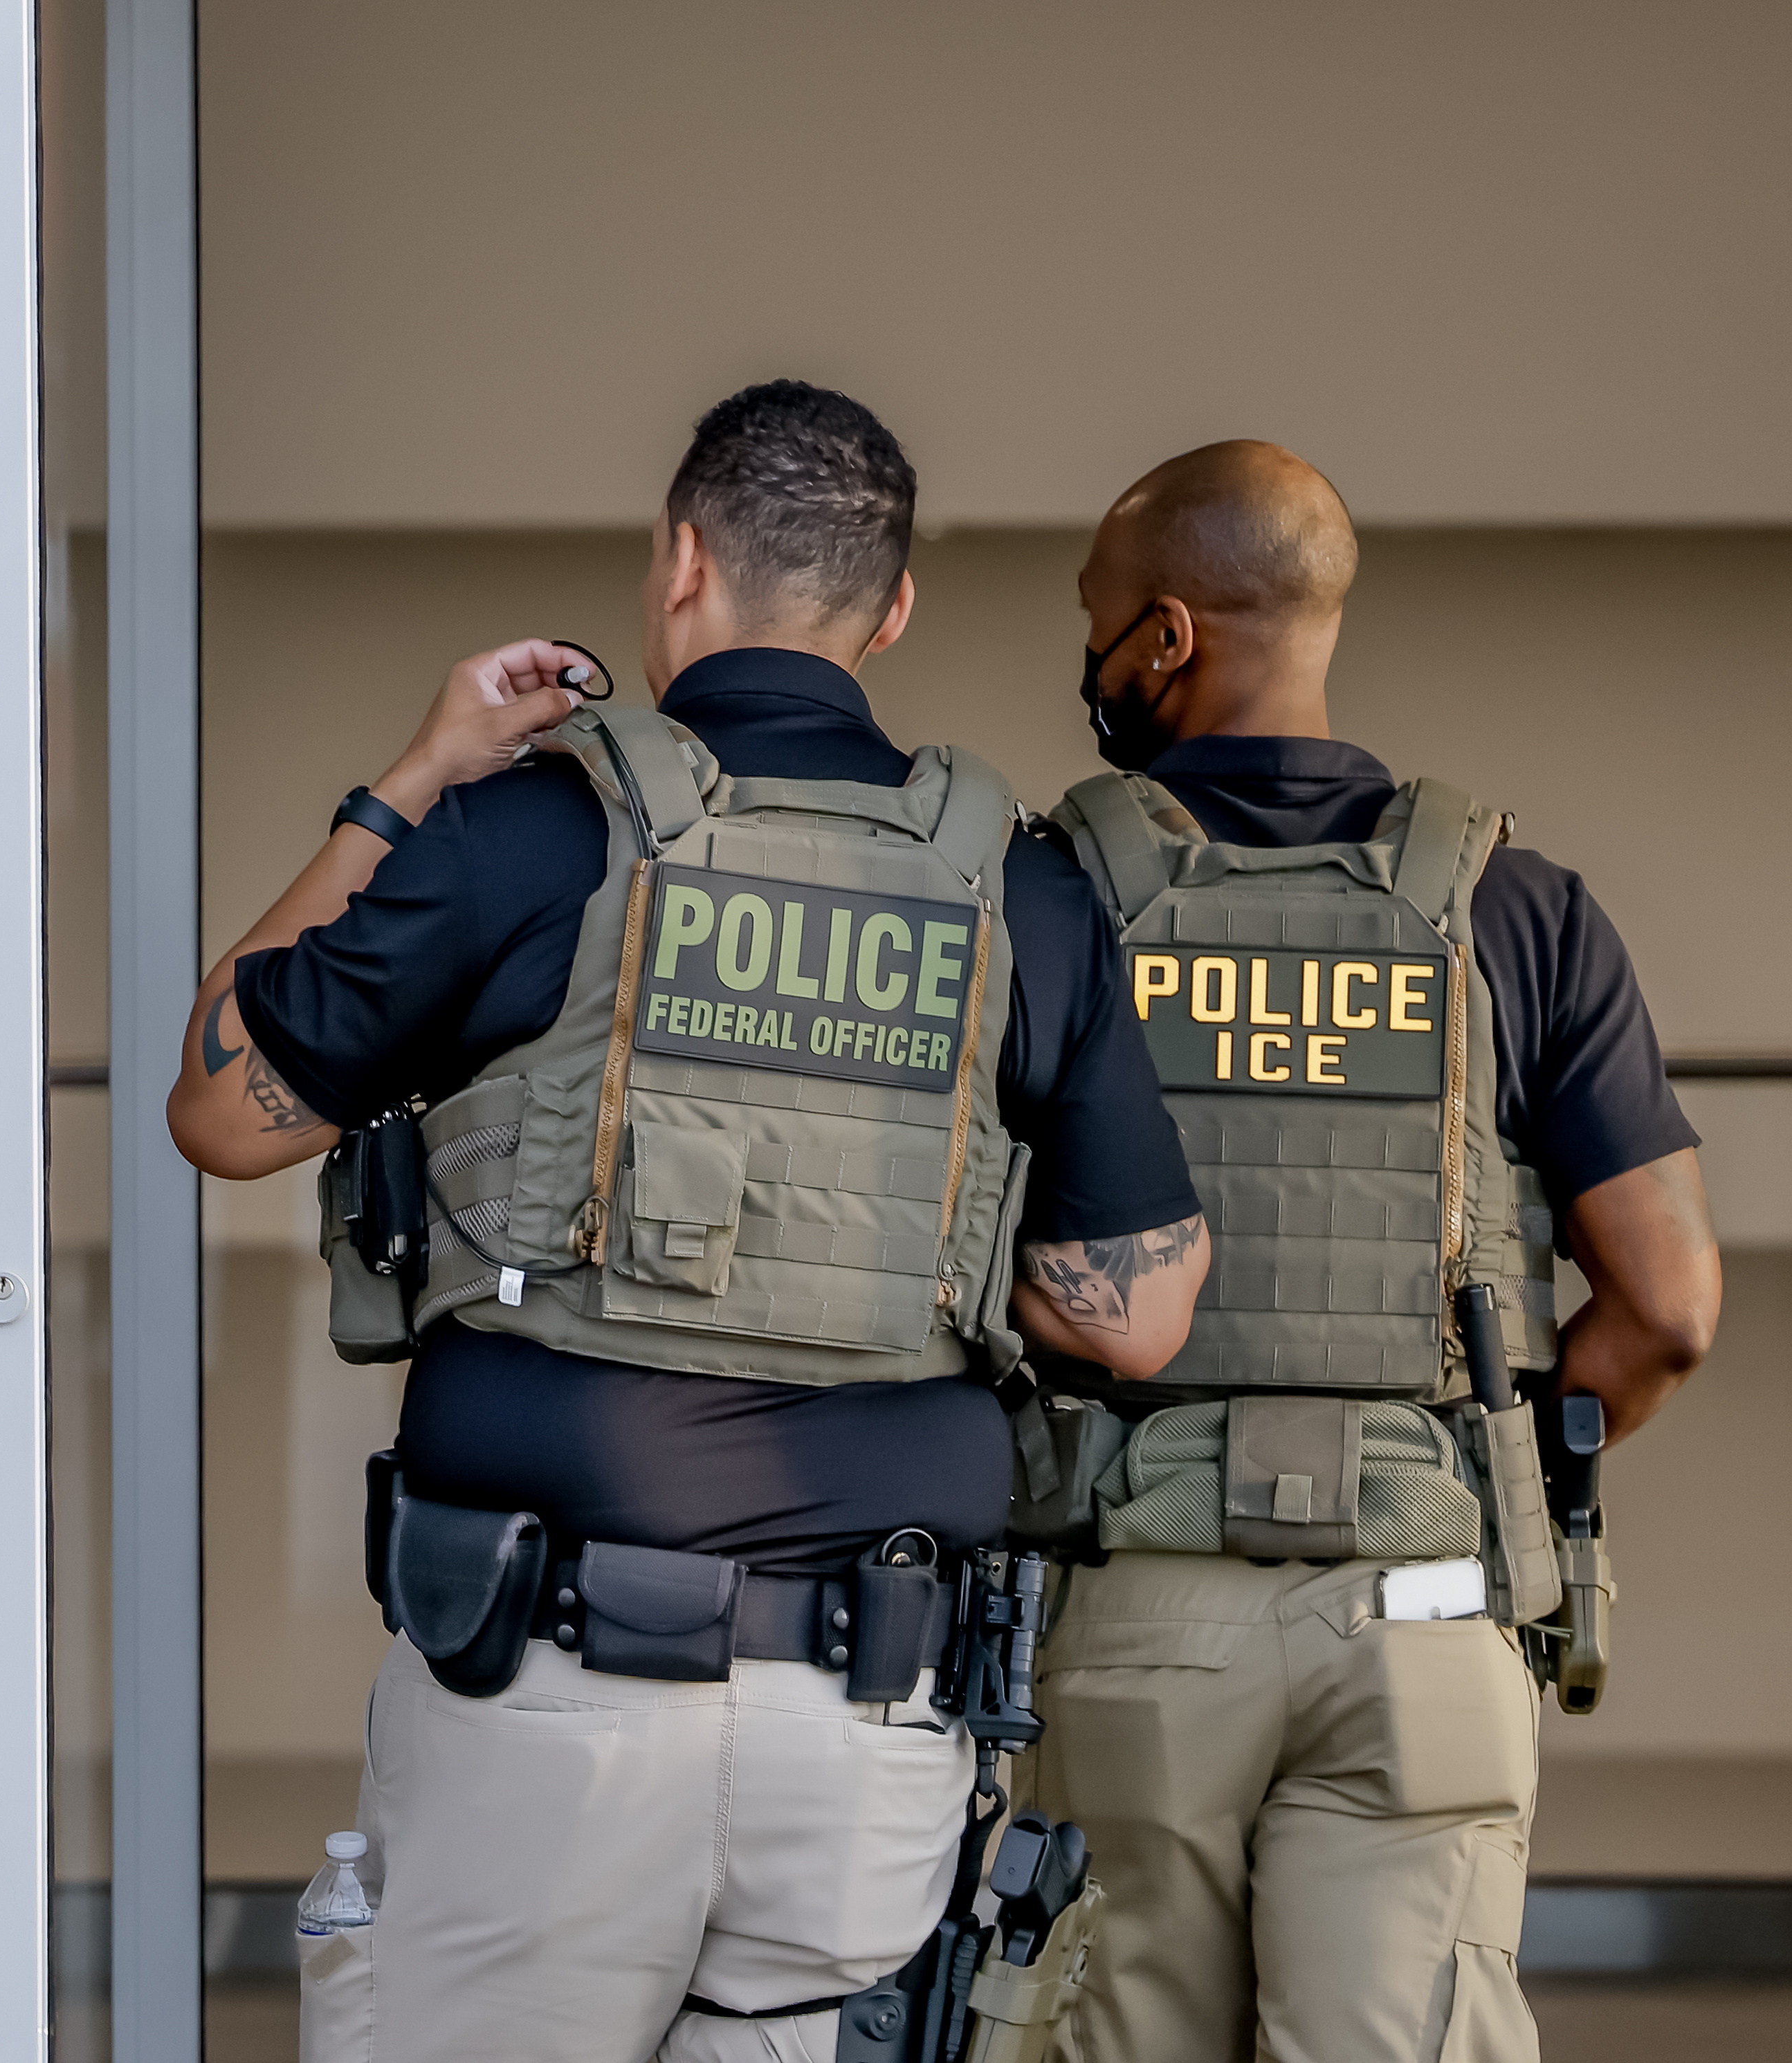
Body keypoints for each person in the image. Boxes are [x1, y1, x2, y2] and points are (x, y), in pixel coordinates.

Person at [169, 380, 1212, 2063]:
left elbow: (221, 1105)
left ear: (675, 566)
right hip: (870, 1721)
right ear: (889, 613)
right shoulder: (1016, 889)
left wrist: (415, 777)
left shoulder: (524, 838)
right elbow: (1137, 1316)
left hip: (549, 1707)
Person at [1025, 440, 1724, 2063]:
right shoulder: (1512, 907)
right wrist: (1490, 1467)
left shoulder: (1050, 896)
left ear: (1166, 637)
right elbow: (1670, 1307)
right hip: (1420, 1599)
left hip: (1136, 1589)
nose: (1092, 660)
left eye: (1097, 620)